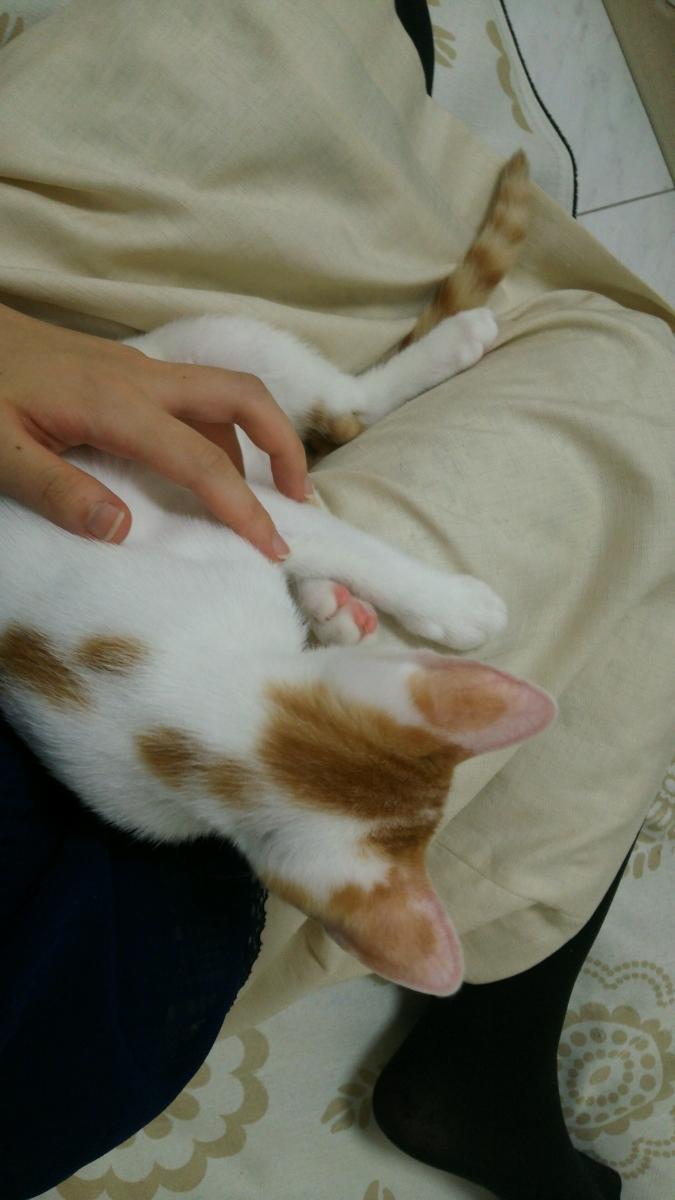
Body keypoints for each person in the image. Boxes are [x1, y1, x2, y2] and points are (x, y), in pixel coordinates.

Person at [1, 3, 673, 1199]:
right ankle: (488, 1062)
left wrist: (394, 595)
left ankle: (374, 284)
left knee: (265, 65)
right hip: (94, 951)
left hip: (102, 517)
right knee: (640, 404)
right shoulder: (146, 808)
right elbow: (260, 539)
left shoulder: (176, 765)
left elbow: (268, 535)